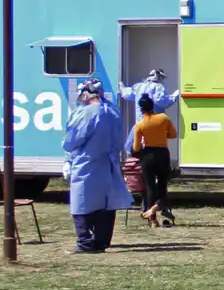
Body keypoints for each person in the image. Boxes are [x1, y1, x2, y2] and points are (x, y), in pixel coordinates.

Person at [62, 79, 132, 254]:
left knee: (81, 202)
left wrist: (68, 157)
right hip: (109, 164)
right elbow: (119, 140)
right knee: (106, 203)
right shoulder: (113, 111)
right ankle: (101, 241)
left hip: (86, 164)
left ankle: (85, 243)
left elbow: (71, 141)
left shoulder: (86, 113)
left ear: (85, 94)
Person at [131, 95, 178, 227]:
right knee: (162, 185)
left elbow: (136, 147)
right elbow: (173, 134)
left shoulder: (140, 125)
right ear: (153, 106)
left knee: (149, 187)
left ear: (141, 109)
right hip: (162, 154)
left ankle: (152, 219)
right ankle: (156, 207)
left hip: (148, 156)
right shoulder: (163, 118)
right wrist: (162, 135)